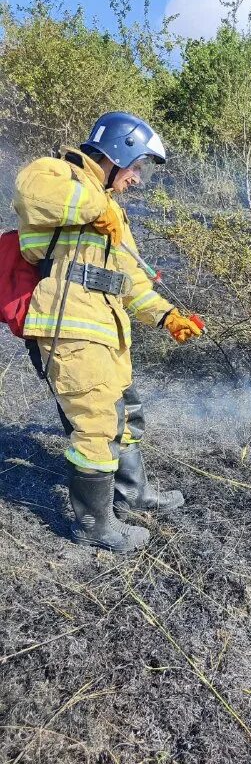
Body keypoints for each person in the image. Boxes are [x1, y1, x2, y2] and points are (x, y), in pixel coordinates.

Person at [13, 111, 202, 553]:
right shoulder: (57, 173)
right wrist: (97, 206)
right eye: (136, 167)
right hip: (69, 328)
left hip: (106, 332)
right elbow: (30, 194)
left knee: (126, 414)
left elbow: (132, 280)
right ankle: (95, 526)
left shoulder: (113, 212)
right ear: (118, 152)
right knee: (97, 425)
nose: (138, 178)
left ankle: (132, 492)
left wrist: (167, 316)